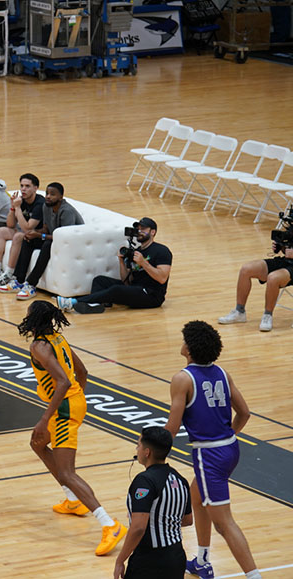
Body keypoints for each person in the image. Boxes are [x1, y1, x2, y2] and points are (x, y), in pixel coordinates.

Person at [16, 300, 127, 557]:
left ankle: (109, 525)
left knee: (67, 473)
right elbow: (82, 372)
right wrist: (78, 401)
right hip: (73, 403)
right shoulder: (57, 339)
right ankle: (74, 501)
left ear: (34, 319)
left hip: (63, 409)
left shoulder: (39, 346)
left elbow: (63, 382)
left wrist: (45, 418)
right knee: (38, 444)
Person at [165, 321, 261, 579]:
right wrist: (226, 438)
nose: (182, 343)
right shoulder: (222, 373)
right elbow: (244, 413)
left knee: (223, 523)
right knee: (196, 498)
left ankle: (254, 576)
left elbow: (172, 428)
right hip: (230, 449)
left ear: (189, 348)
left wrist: (154, 453)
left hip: (209, 455)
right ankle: (202, 561)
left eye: (184, 340)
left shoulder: (182, 379)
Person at [113, 427, 192, 579]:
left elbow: (138, 527)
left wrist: (120, 560)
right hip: (177, 557)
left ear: (147, 452)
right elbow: (187, 520)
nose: (137, 449)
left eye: (138, 445)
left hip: (150, 561)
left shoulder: (144, 481)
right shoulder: (180, 480)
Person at [58, 217, 172, 314]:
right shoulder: (136, 251)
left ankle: (73, 302)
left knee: (116, 290)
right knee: (99, 280)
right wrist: (121, 261)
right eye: (138, 229)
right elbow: (126, 280)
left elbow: (162, 278)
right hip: (135, 288)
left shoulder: (162, 251)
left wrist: (143, 263)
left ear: (153, 232)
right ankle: (96, 305)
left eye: (143, 229)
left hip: (151, 295)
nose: (139, 231)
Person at [1, 181, 84, 300]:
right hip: (55, 239)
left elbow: (64, 237)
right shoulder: (46, 206)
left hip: (71, 244)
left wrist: (40, 235)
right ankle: (18, 280)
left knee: (47, 244)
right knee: (28, 239)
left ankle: (31, 284)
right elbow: (46, 228)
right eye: (47, 193)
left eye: (52, 194)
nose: (48, 197)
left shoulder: (66, 211)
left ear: (61, 197)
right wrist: (34, 233)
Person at [0, 173, 43, 289]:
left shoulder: (39, 204)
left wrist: (17, 207)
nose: (23, 189)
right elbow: (10, 224)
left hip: (38, 235)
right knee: (1, 231)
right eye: (22, 186)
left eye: (27, 186)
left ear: (35, 188)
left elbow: (28, 228)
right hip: (26, 232)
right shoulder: (21, 200)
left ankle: (9, 273)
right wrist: (12, 207)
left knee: (18, 236)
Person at [218, 238, 293, 333]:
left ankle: (267, 315)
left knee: (273, 278)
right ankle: (239, 312)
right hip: (286, 261)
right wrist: (281, 246)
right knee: (246, 269)